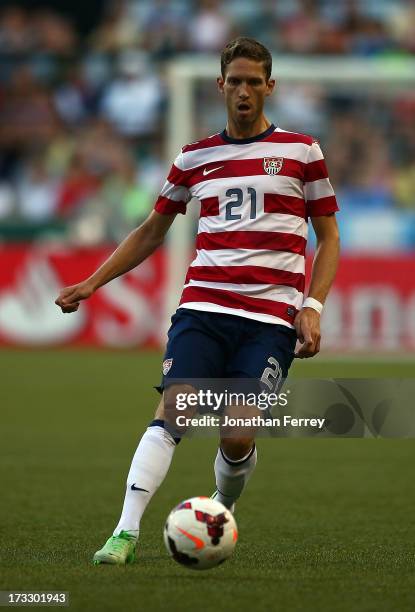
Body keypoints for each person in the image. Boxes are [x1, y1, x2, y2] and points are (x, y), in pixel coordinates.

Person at [55, 37, 340, 565]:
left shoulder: (302, 152)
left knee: (236, 434)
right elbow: (151, 230)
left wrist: (313, 306)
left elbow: (329, 236)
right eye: (235, 81)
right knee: (174, 410)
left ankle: (219, 506)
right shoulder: (194, 157)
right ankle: (124, 532)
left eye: (255, 81)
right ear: (220, 86)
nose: (245, 91)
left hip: (269, 319)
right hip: (203, 310)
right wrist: (94, 282)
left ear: (270, 86)